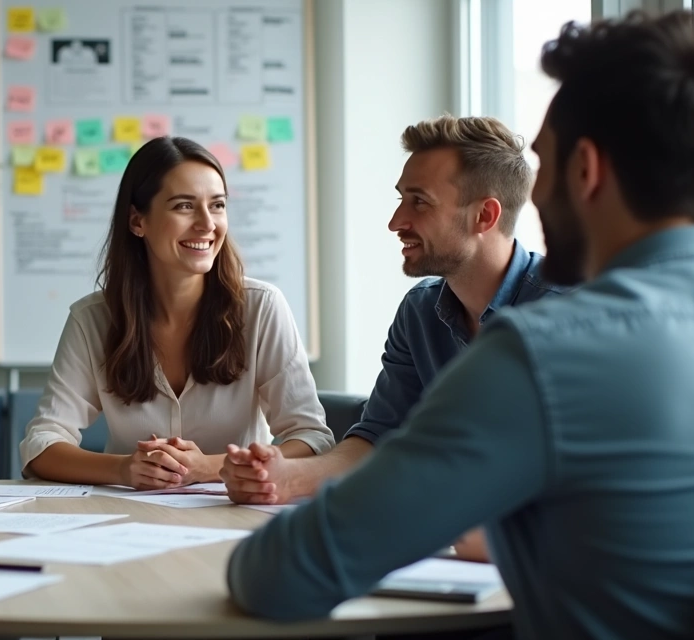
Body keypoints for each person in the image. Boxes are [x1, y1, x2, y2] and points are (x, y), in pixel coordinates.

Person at [228, 10, 694, 638]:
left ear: (586, 171)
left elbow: (279, 573)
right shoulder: (446, 316)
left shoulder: (546, 351)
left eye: (543, 164)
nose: (531, 196)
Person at [221, 115, 565, 562]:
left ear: (485, 215)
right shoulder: (420, 311)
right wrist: (285, 477)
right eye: (401, 199)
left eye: (419, 202)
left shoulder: (568, 314)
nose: (395, 221)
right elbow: (377, 439)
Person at [20, 136, 333, 489]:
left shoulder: (262, 308)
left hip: (235, 511)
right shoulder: (92, 320)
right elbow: (41, 445)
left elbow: (312, 438)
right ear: (137, 221)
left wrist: (211, 466)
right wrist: (123, 470)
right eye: (184, 206)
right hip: (129, 514)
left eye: (217, 205)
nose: (207, 224)